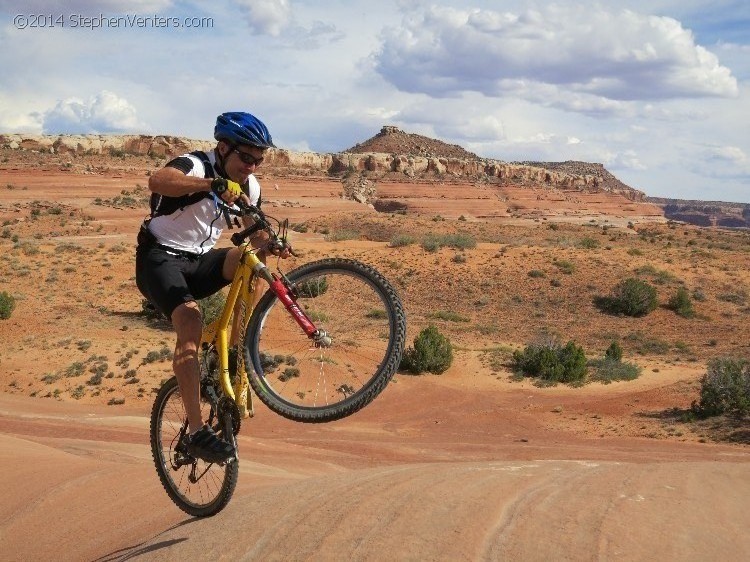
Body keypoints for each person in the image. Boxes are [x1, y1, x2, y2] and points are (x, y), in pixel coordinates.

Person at [136, 111, 288, 463]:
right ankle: (196, 432)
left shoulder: (250, 187)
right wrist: (211, 186)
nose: (251, 167)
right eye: (246, 158)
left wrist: (271, 242)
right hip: (159, 259)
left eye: (258, 160)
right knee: (190, 322)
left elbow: (256, 227)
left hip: (199, 261)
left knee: (248, 256)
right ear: (223, 148)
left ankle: (236, 350)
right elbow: (158, 180)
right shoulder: (197, 165)